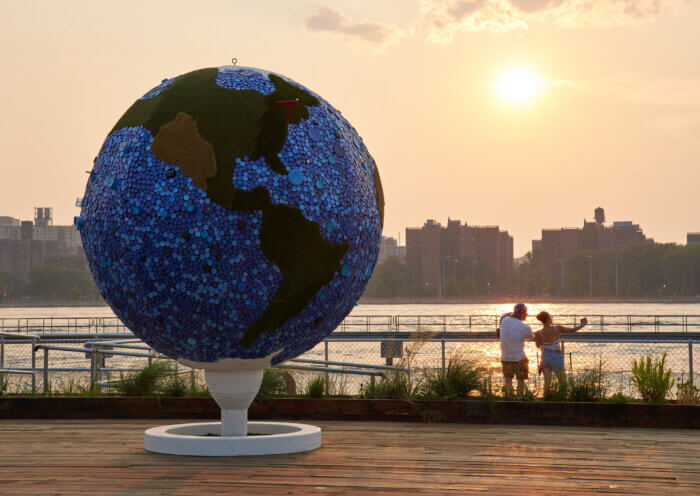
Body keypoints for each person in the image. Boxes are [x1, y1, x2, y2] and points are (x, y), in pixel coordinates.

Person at [534, 311, 587, 395]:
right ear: (548, 319)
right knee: (562, 380)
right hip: (556, 355)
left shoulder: (538, 332)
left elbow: (538, 345)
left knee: (547, 382)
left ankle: (546, 398)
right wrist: (582, 325)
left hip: (545, 356)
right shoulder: (557, 328)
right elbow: (572, 330)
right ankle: (563, 397)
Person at [499, 303, 534, 396]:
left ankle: (509, 397)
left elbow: (504, 314)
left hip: (505, 357)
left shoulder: (504, 319)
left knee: (508, 380)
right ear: (522, 313)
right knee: (521, 380)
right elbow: (531, 337)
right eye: (526, 312)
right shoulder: (525, 327)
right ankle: (520, 397)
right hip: (519, 358)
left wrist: (513, 313)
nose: (527, 315)